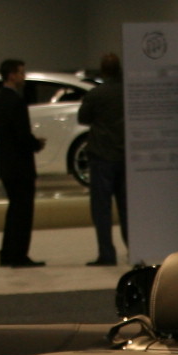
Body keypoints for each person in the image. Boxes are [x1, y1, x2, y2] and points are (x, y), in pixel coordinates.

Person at [0, 58, 43, 267]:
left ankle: (7, 253)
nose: (24, 76)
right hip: (20, 167)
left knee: (14, 211)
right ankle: (19, 255)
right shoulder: (16, 101)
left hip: (6, 165)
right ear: (12, 75)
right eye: (21, 72)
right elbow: (21, 134)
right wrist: (36, 144)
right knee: (23, 212)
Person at [77, 52, 127, 265]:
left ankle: (107, 253)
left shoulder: (96, 94)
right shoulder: (128, 93)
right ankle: (134, 249)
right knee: (126, 208)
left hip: (102, 155)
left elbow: (83, 118)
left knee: (102, 209)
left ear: (103, 71)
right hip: (125, 156)